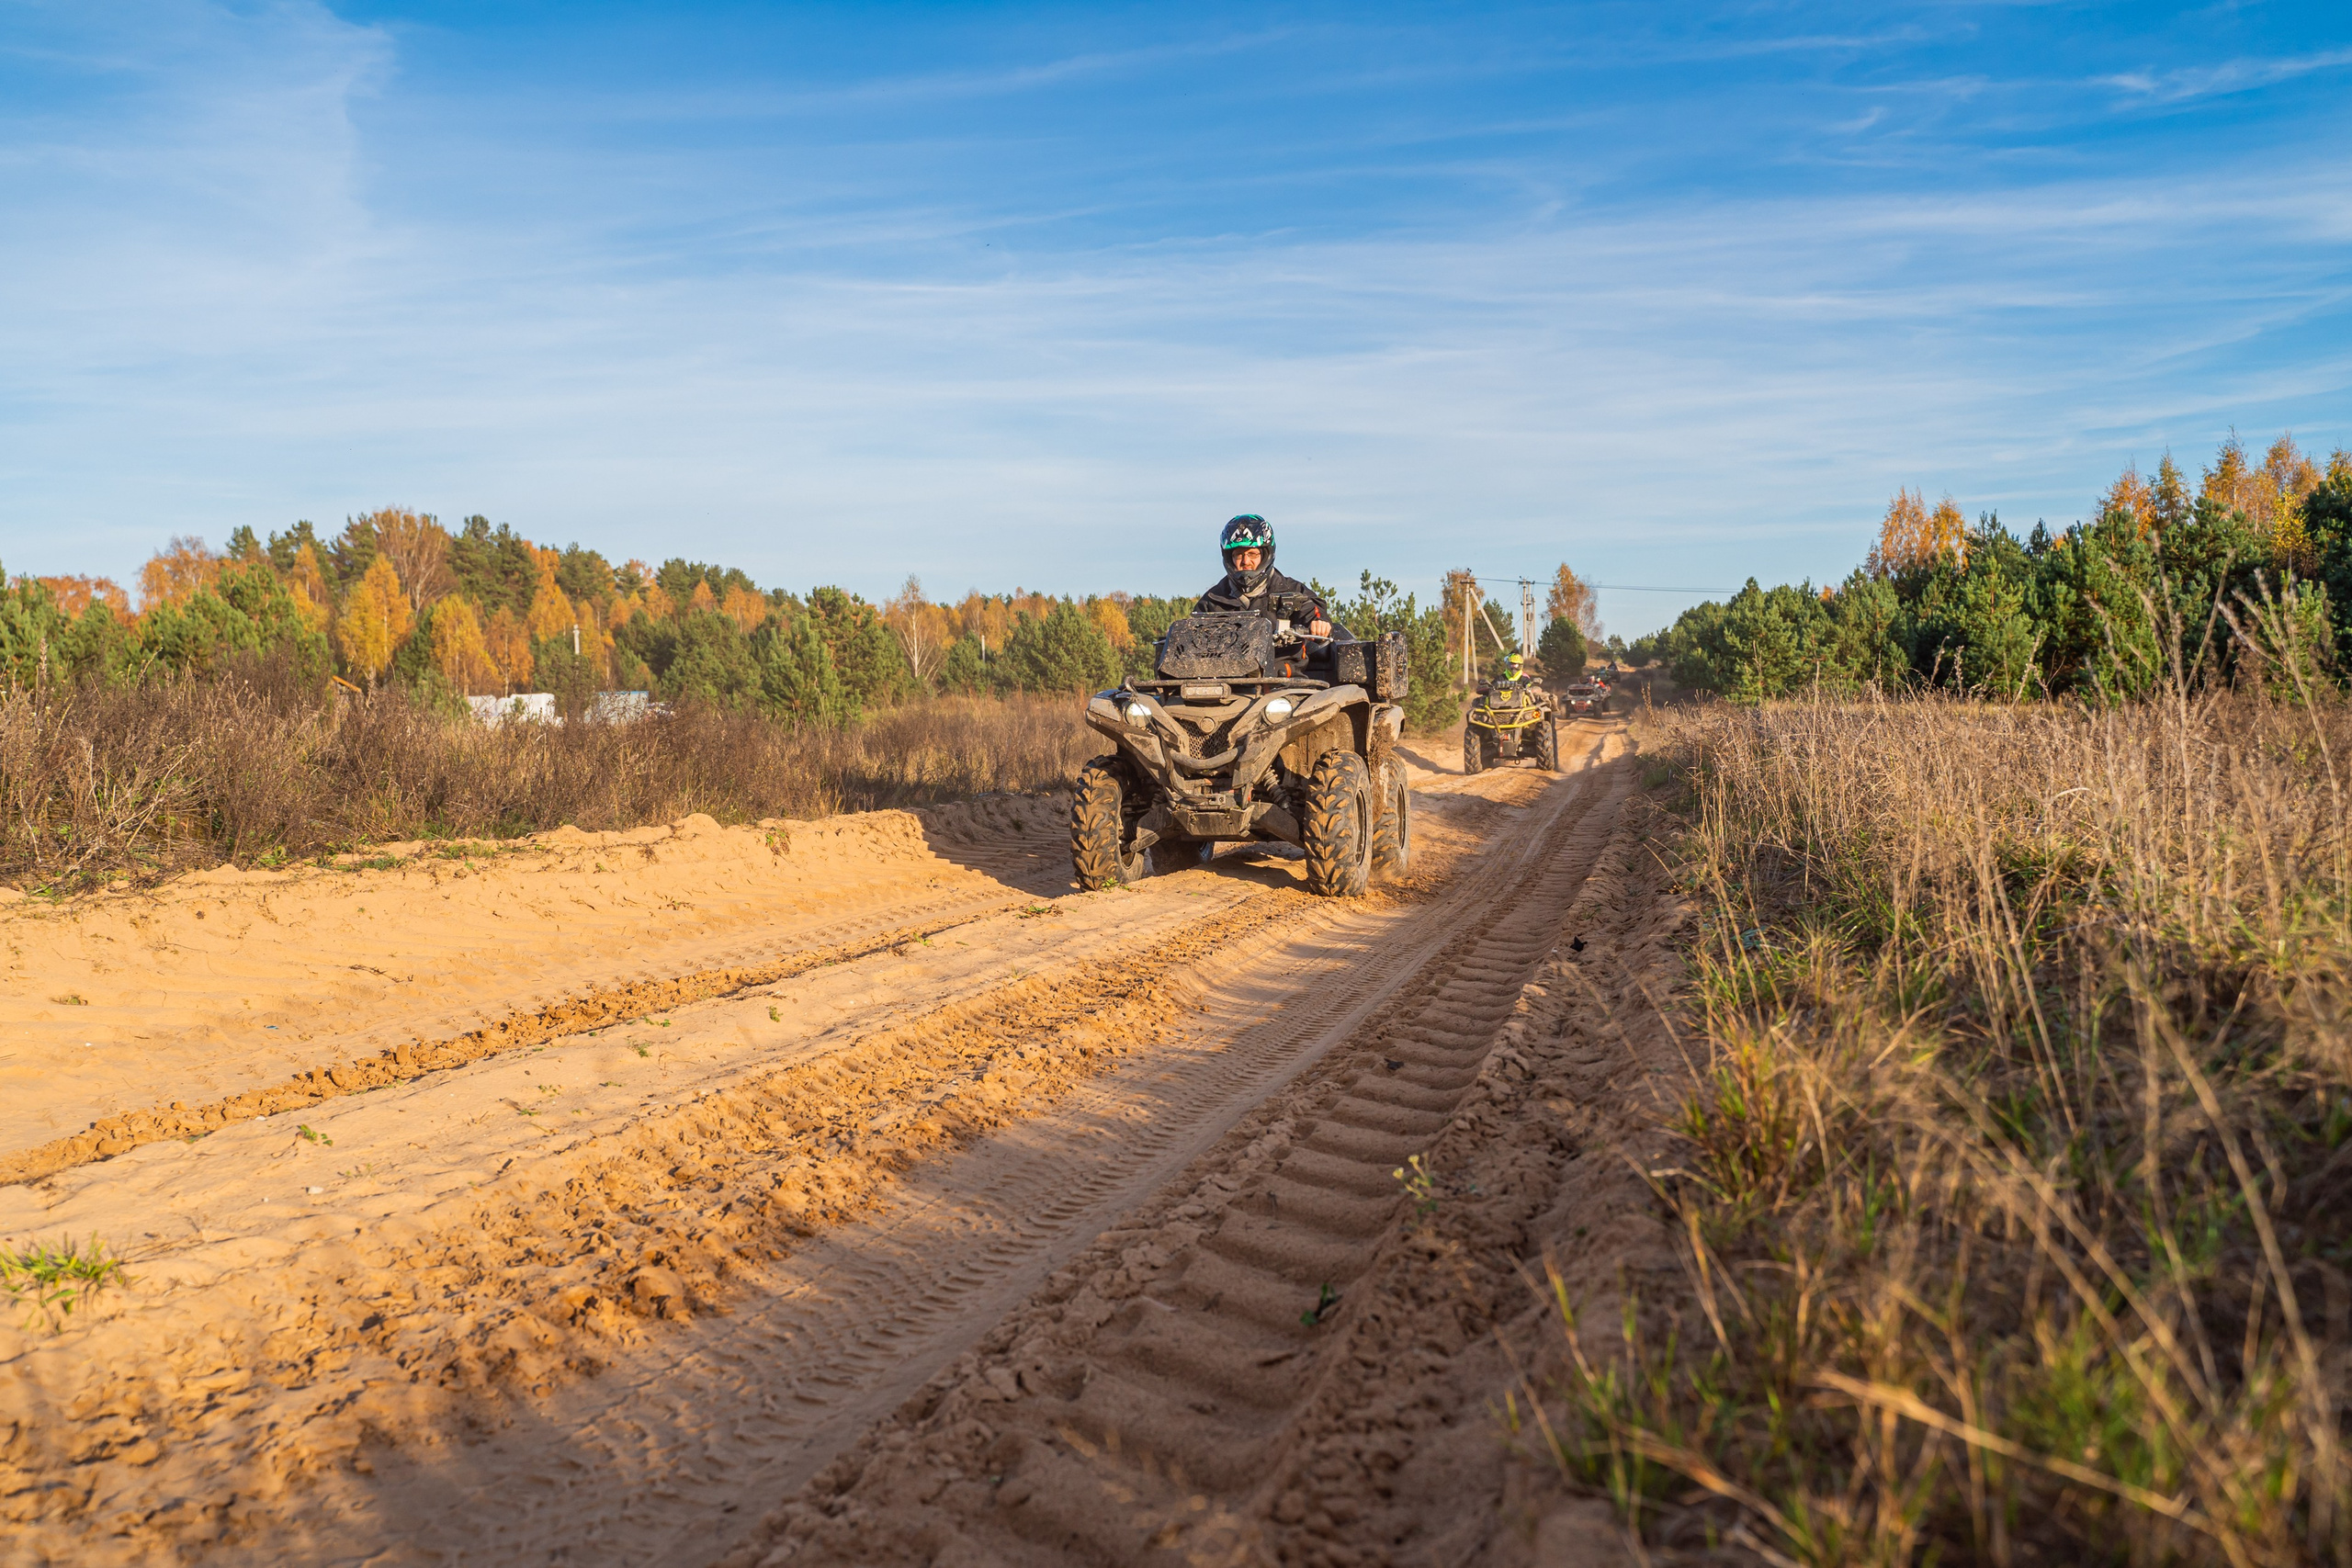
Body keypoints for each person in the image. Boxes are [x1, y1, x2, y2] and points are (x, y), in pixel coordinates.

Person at [1194, 515, 1332, 637]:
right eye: (1239, 554)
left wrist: (1319, 623)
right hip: (1228, 666)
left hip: (1281, 663)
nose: (1245, 561)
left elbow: (1314, 611)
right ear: (1230, 558)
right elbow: (1191, 636)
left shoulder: (1292, 590)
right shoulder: (1212, 601)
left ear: (1265, 556)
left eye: (1252, 554)